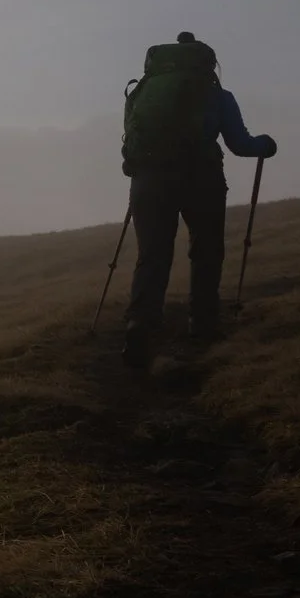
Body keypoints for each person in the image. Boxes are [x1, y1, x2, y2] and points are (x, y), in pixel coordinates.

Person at [120, 31, 276, 369]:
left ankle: (140, 324)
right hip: (200, 177)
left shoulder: (140, 92)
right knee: (206, 250)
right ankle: (202, 325)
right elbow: (240, 144)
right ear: (208, 63)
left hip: (148, 180)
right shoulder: (216, 95)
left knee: (153, 255)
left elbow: (130, 143)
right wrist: (266, 145)